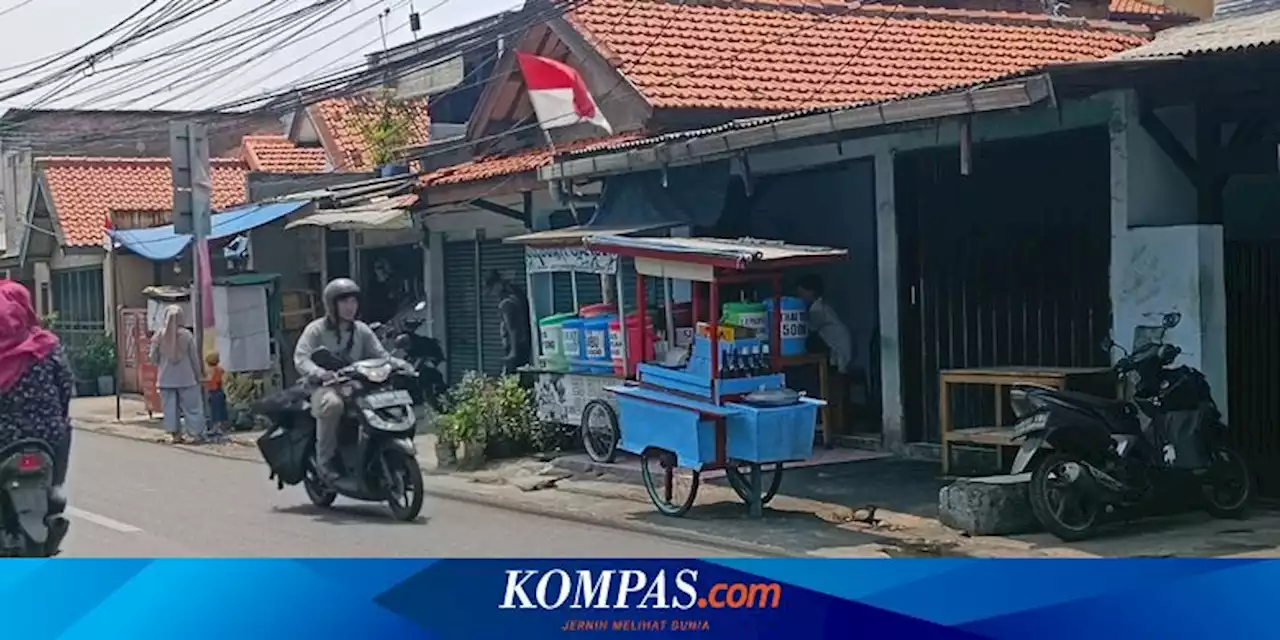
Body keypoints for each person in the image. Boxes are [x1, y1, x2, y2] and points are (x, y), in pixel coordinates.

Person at [294, 278, 389, 484]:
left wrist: (397, 364)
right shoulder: (316, 330)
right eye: (344, 302)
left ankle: (379, 453)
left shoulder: (362, 330)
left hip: (357, 386)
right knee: (332, 405)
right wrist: (320, 373)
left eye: (353, 302)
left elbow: (381, 355)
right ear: (332, 305)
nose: (350, 307)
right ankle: (325, 463)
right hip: (323, 387)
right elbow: (301, 358)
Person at [0, 280, 72, 517]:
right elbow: (65, 386)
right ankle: (54, 485)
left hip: (4, 439)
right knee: (66, 426)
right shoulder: (47, 344)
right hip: (48, 437)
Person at [149, 304, 207, 444]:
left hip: (166, 379)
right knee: (192, 407)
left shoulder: (159, 335)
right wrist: (198, 374)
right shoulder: (187, 336)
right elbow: (194, 358)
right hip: (186, 379)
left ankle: (175, 434)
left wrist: (162, 364)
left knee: (169, 408)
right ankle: (195, 434)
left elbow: (153, 357)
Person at [485, 269, 531, 375]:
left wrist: (513, 352)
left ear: (497, 284)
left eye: (492, 289)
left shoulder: (507, 303)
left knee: (510, 379)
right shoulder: (514, 292)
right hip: (523, 345)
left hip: (515, 346)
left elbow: (512, 328)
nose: (492, 293)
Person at [205, 351, 227, 431]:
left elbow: (209, 379)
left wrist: (201, 380)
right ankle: (222, 426)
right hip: (220, 390)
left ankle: (215, 427)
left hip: (213, 391)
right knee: (221, 409)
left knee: (214, 410)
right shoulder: (220, 369)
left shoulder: (210, 370)